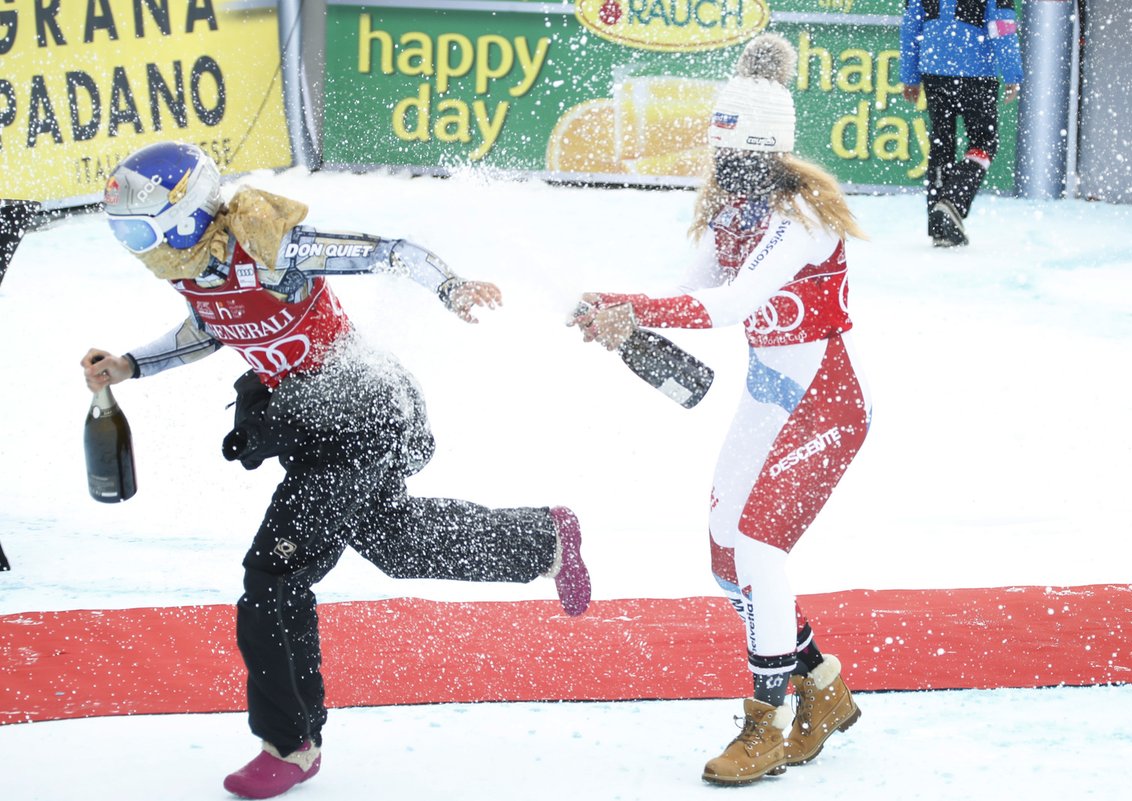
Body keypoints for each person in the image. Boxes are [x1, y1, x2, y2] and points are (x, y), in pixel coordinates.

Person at [81, 141, 591, 800]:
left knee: (272, 574)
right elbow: (211, 329)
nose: (136, 247)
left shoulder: (271, 247)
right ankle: (545, 539)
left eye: (139, 230)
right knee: (395, 540)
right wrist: (129, 364)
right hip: (311, 425)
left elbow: (391, 251)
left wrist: (451, 287)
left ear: (185, 215)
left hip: (363, 411)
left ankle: (290, 743)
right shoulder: (191, 265)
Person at [569, 34, 870, 785]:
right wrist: (618, 313)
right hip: (771, 400)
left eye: (738, 162)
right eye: (720, 157)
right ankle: (823, 689)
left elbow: (730, 304)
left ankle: (764, 725)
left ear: (770, 152)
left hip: (825, 406)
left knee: (762, 548)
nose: (727, 175)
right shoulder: (736, 209)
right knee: (725, 555)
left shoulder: (803, 213)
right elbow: (690, 287)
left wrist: (630, 305)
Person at [900, 0, 1023, 247]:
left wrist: (909, 76)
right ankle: (952, 202)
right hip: (976, 71)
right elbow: (1001, 25)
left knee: (940, 142)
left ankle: (939, 226)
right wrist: (1012, 74)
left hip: (934, 69)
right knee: (984, 142)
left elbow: (911, 25)